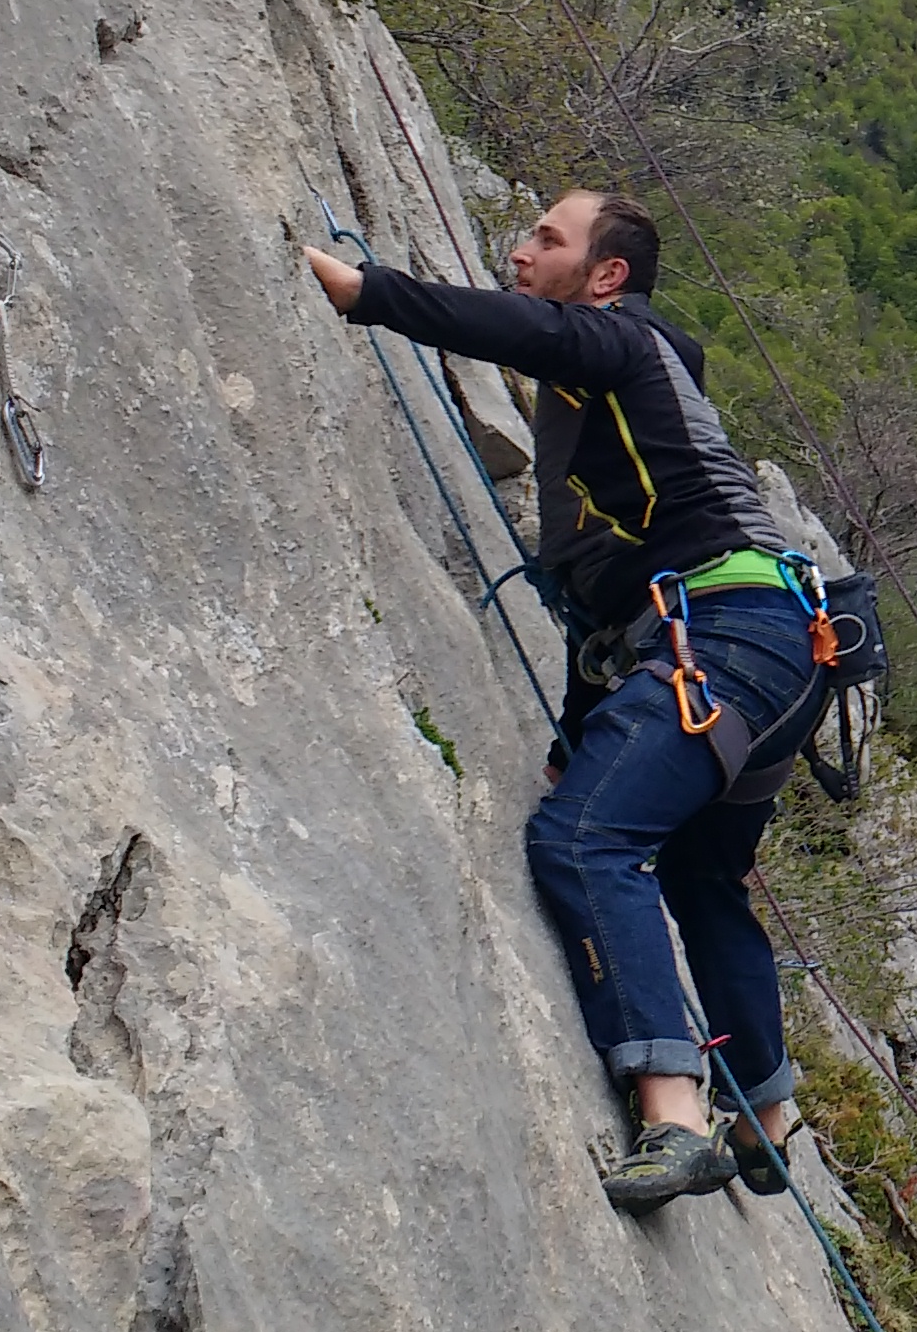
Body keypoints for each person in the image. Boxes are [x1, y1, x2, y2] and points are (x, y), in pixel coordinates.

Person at [298, 189, 817, 1213]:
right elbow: (614, 605)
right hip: (766, 646)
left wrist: (367, 292)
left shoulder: (623, 343)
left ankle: (676, 1116)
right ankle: (768, 1108)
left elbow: (527, 331)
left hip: (723, 636)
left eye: (547, 239)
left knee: (584, 838)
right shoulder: (628, 401)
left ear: (607, 275)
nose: (520, 251)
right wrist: (580, 732)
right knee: (699, 872)